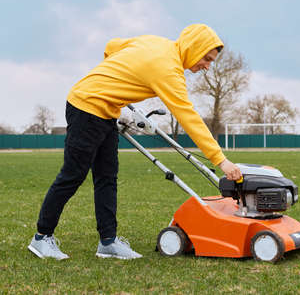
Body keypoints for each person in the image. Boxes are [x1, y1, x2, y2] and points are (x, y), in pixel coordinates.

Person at [28, 24, 242, 260]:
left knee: (107, 177)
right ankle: (41, 238)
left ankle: (108, 243)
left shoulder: (157, 42)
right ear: (194, 47)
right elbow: (188, 117)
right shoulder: (168, 70)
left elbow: (111, 47)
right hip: (85, 106)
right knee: (73, 174)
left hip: (106, 112)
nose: (207, 66)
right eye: (207, 58)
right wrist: (221, 161)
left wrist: (116, 94)